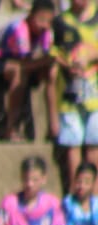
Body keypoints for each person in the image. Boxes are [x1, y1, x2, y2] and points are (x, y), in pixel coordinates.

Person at [0, 0, 57, 143]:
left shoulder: (45, 32)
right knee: (18, 72)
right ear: (31, 16)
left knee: (51, 71)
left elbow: (46, 55)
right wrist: (47, 60)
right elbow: (25, 63)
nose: (44, 25)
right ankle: (11, 128)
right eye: (41, 20)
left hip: (15, 62)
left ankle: (53, 127)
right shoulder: (19, 28)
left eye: (48, 21)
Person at [49, 0, 98, 188]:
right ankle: (74, 197)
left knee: (94, 149)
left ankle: (93, 200)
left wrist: (90, 56)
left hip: (95, 98)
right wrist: (70, 64)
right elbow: (55, 56)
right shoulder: (61, 22)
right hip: (69, 98)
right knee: (72, 147)